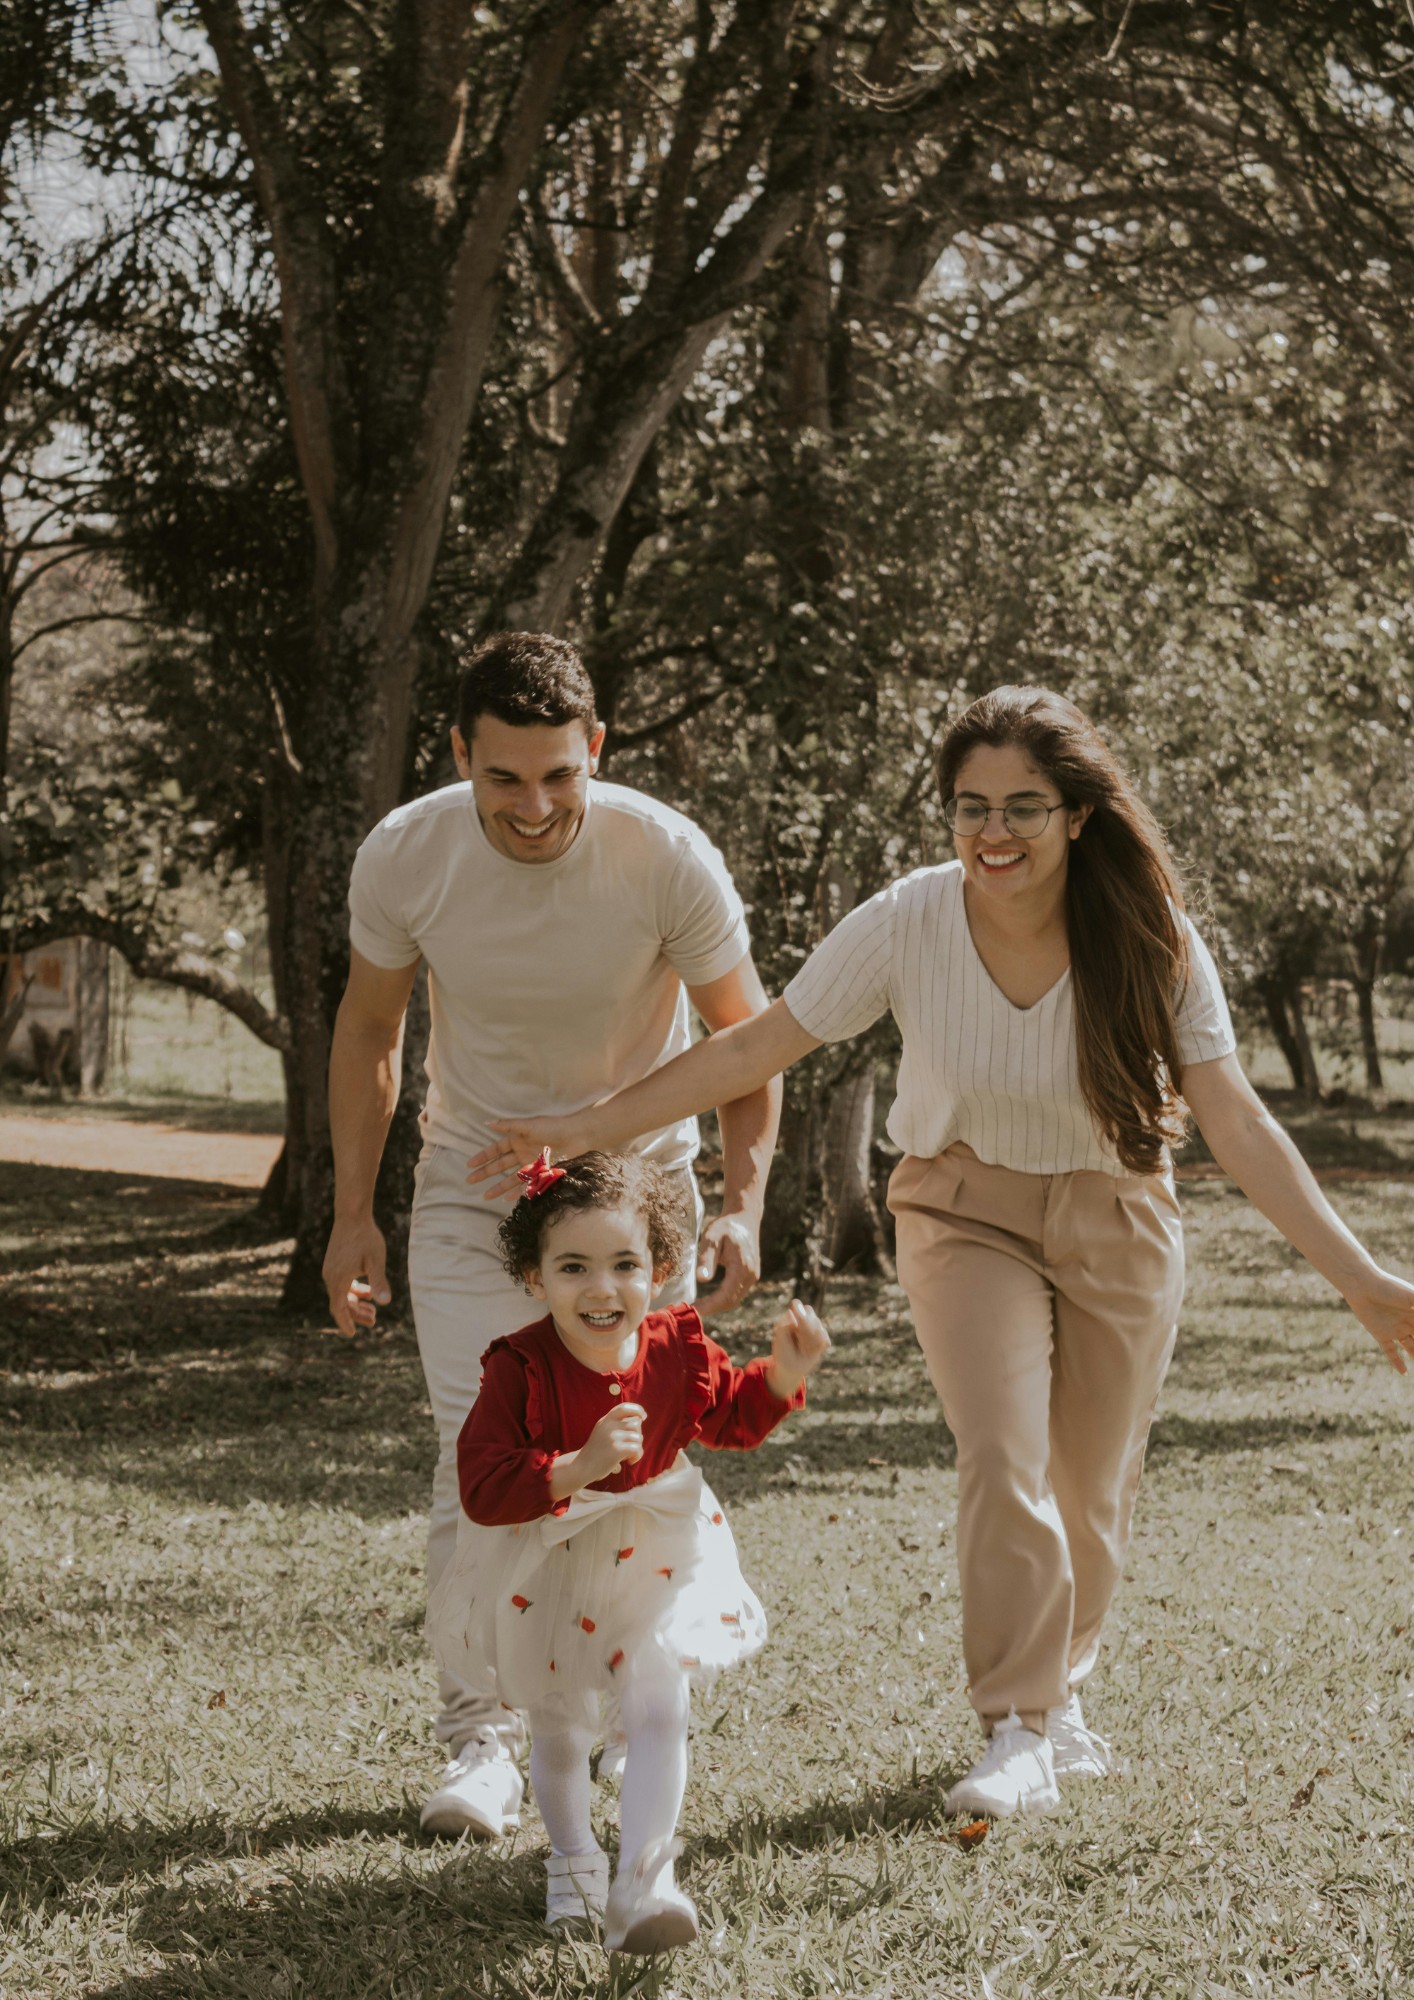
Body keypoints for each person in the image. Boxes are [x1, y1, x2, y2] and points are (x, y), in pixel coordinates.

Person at [469, 684, 1414, 1821]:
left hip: (1117, 1210)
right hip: (962, 1210)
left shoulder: (1146, 929)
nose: (993, 832)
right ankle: (1016, 1724)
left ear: (1076, 815)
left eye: (1023, 807)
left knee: (1092, 1485)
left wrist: (1361, 1279)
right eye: (972, 806)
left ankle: (1062, 1694)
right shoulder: (909, 917)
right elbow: (760, 1042)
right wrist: (584, 1129)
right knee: (1005, 1454)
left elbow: (1234, 1117)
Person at [322, 632, 781, 1838]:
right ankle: (480, 1741)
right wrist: (353, 1212)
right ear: (458, 754)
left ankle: (628, 1715)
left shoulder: (665, 854)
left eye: (560, 775)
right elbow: (369, 1030)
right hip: (475, 1191)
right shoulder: (407, 853)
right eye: (504, 778)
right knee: (479, 1455)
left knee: (635, 1459)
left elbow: (748, 1041)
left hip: (637, 1200)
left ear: (598, 750)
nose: (534, 807)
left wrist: (743, 1199)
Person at [428, 1149, 829, 1949]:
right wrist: (575, 1468)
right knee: (561, 1726)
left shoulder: (677, 1348)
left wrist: (783, 1375)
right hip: (555, 1564)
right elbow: (482, 1483)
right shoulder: (519, 1368)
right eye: (573, 1267)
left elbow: (732, 1416)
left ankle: (646, 1879)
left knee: (659, 1700)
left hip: (657, 1553)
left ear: (660, 1270)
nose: (601, 1288)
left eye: (624, 1265)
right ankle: (573, 1860)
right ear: (536, 1277)